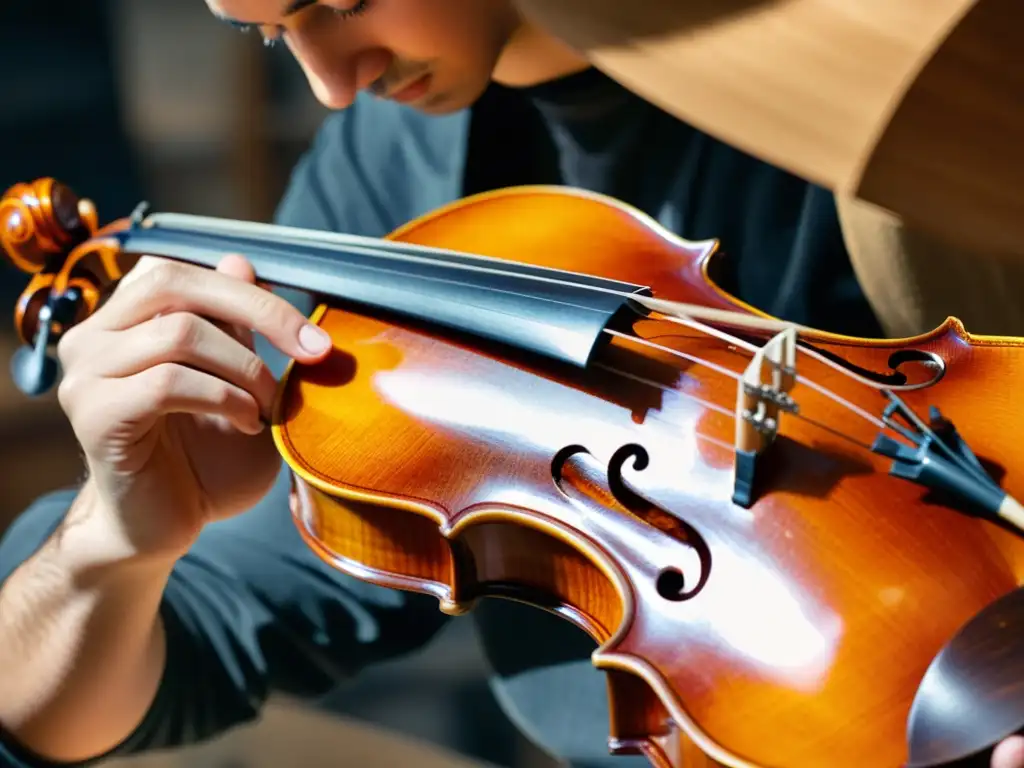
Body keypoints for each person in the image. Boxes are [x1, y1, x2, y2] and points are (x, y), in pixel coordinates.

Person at [0, 1, 1021, 767]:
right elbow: (109, 679)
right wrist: (113, 545)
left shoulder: (870, 34)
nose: (330, 82)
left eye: (339, 1)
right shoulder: (386, 189)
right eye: (271, 33)